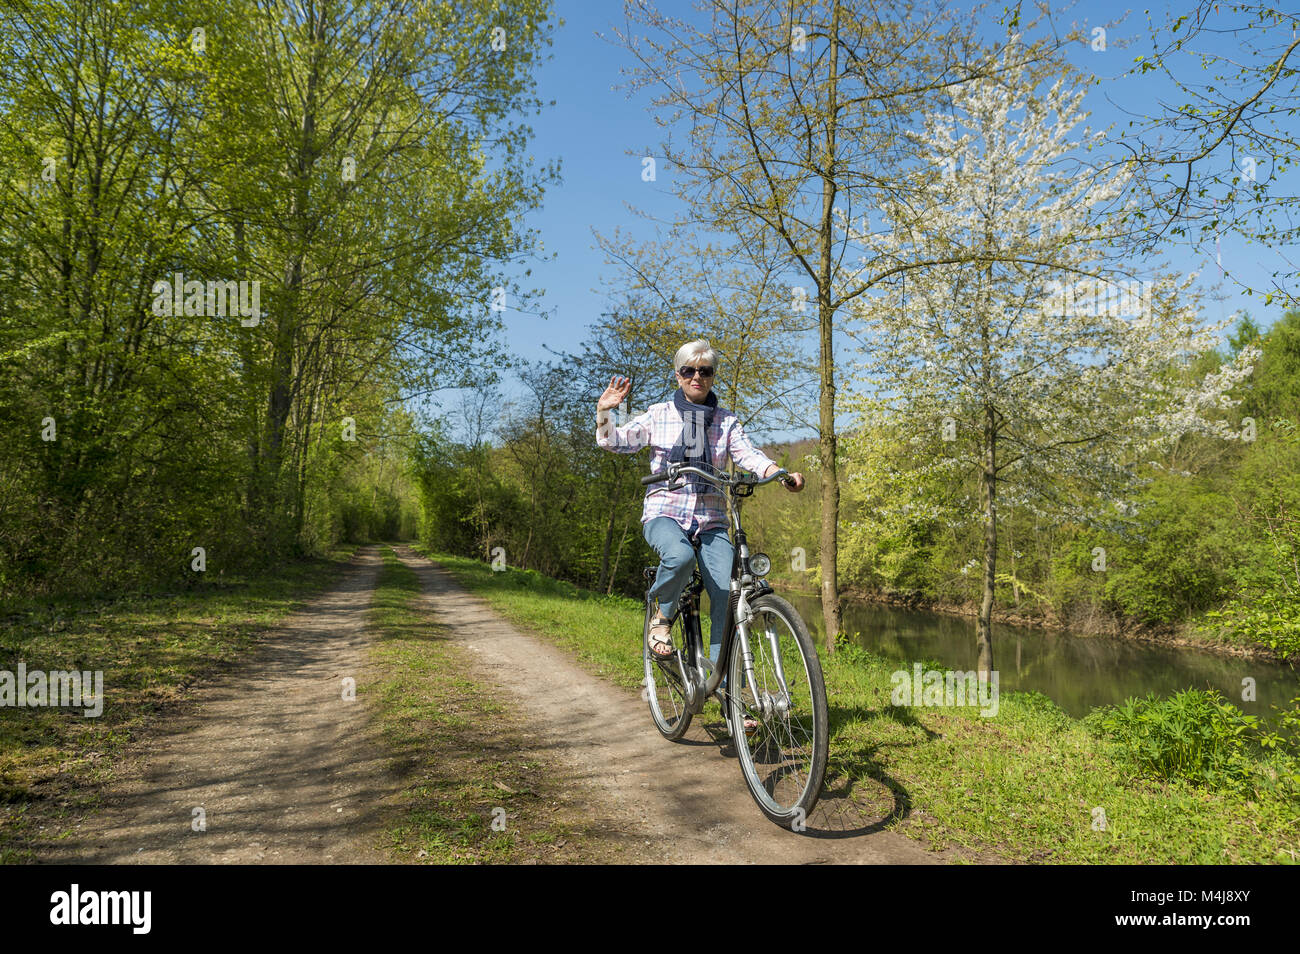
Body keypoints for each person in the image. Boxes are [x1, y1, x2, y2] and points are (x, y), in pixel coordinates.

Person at [595, 339, 804, 731]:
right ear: (677, 374)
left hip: (711, 519)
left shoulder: (725, 420)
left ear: (712, 376)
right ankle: (663, 617)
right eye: (689, 371)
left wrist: (778, 473)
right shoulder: (659, 414)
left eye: (705, 371)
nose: (697, 377)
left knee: (728, 592)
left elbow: (748, 455)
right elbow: (613, 442)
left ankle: (728, 697)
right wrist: (605, 412)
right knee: (679, 557)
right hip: (664, 512)